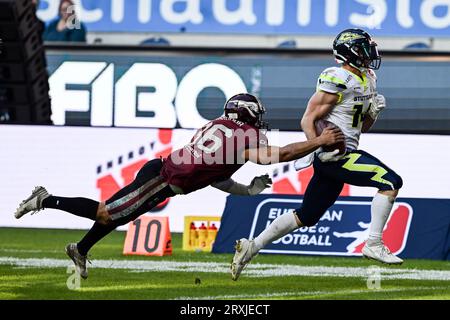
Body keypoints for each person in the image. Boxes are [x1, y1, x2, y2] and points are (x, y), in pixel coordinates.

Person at [14, 93, 344, 279]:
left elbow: (213, 176)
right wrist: (320, 140)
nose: (260, 122)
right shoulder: (244, 138)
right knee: (106, 212)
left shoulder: (219, 129)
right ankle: (46, 200)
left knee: (116, 216)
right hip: (162, 179)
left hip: (163, 173)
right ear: (248, 115)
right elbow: (281, 154)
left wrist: (246, 190)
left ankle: (81, 249)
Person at [231, 29, 404, 281]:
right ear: (351, 52)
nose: (370, 53)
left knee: (307, 215)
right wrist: (318, 147)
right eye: (364, 48)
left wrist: (373, 114)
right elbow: (308, 119)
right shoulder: (338, 78)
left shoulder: (368, 77)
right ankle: (373, 243)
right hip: (334, 156)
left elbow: (360, 128)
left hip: (345, 151)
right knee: (390, 182)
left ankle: (252, 247)